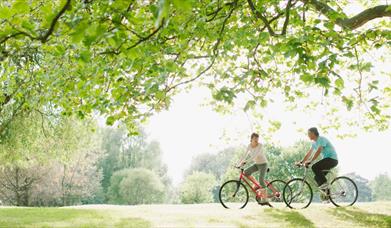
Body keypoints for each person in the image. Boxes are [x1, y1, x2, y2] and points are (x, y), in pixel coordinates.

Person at [297, 127, 338, 201]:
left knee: (315, 167)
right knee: (317, 178)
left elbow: (319, 151)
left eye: (309, 134)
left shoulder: (321, 139)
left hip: (332, 159)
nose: (308, 135)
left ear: (313, 133)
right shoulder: (314, 143)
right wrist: (301, 162)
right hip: (327, 160)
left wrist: (311, 161)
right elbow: (309, 153)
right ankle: (328, 196)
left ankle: (326, 186)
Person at [238, 133, 271, 207]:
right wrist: (238, 163)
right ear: (251, 139)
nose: (256, 140)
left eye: (257, 139)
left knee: (261, 179)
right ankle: (258, 185)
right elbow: (244, 155)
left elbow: (255, 155)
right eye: (255, 139)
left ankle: (265, 199)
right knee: (246, 172)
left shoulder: (260, 145)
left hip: (263, 164)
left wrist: (246, 162)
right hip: (257, 164)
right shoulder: (249, 146)